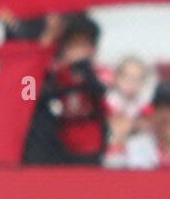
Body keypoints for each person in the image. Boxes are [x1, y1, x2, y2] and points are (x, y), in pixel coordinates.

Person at [21, 13, 108, 166]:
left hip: (89, 153)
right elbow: (27, 95)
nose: (78, 51)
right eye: (73, 44)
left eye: (84, 45)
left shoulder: (95, 75)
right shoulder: (54, 75)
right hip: (56, 152)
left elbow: (98, 92)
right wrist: (45, 44)